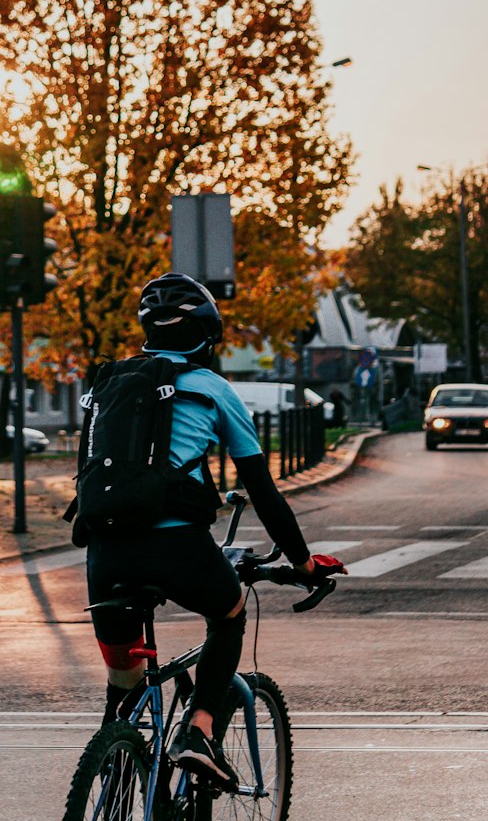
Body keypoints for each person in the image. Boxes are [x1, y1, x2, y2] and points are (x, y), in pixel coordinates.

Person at [86, 273, 344, 785]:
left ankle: (114, 782)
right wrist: (304, 562)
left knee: (125, 680)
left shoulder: (106, 385)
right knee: (228, 611)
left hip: (104, 553)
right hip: (176, 546)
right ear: (208, 334)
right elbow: (262, 489)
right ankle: (199, 731)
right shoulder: (213, 389)